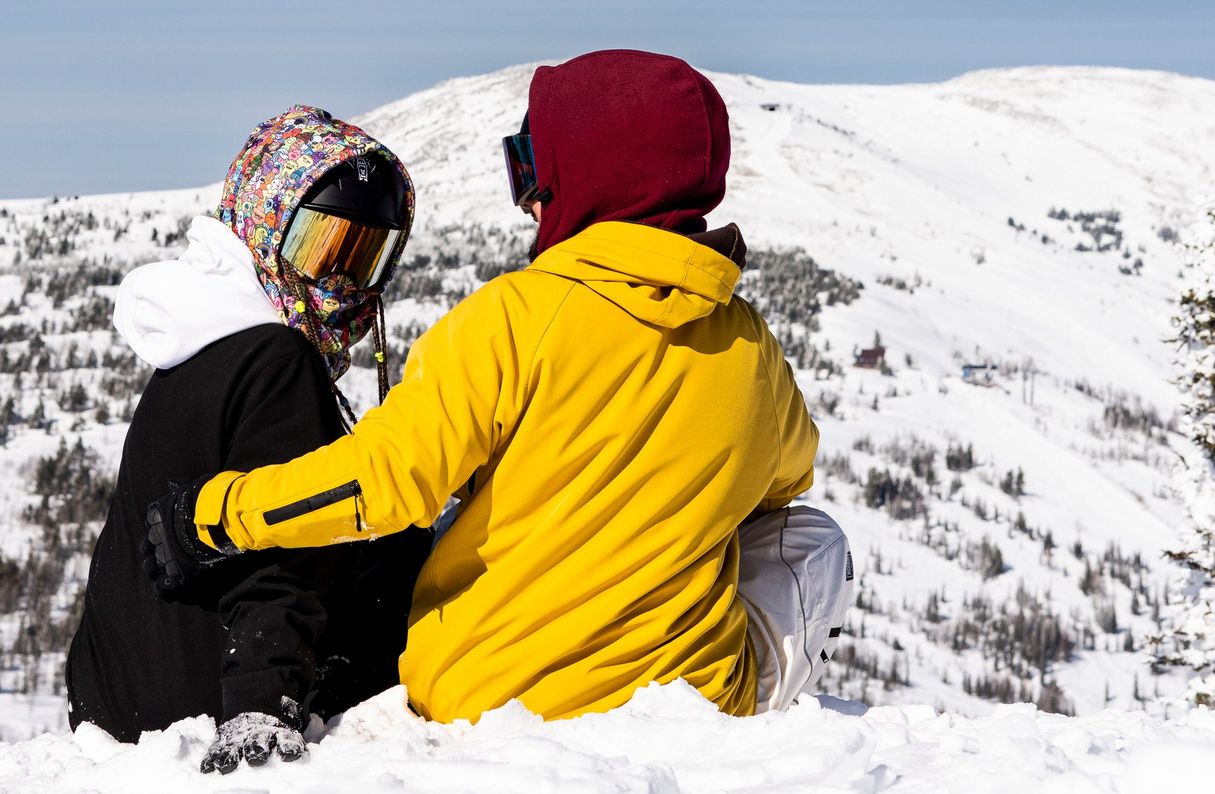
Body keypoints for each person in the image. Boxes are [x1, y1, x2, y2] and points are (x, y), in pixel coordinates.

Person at [140, 49, 844, 727]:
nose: (528, 199)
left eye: (533, 166)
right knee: (817, 537)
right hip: (689, 705)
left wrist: (213, 514)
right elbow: (789, 480)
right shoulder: (753, 347)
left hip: (486, 700)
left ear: (589, 176)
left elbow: (382, 484)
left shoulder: (509, 320)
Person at [64, 106, 431, 770]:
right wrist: (263, 705)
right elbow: (282, 546)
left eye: (364, 257)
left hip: (120, 713)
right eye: (322, 248)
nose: (341, 281)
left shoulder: (194, 355)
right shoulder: (277, 360)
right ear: (265, 225)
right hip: (211, 704)